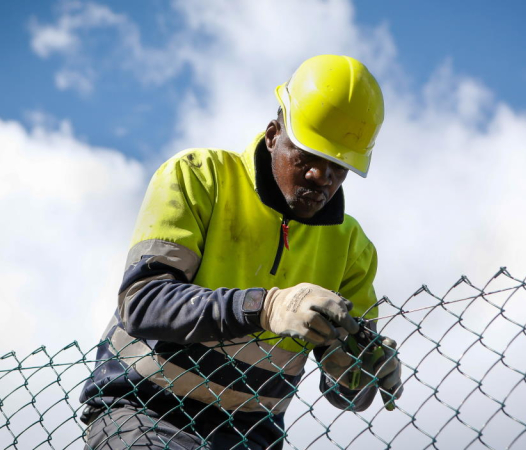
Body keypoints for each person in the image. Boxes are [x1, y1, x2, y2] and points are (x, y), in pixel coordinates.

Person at [80, 54, 403, 450]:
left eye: (338, 165)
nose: (321, 176)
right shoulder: (199, 177)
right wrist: (266, 307)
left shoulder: (351, 248)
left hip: (250, 435)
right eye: (309, 155)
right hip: (144, 410)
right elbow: (142, 303)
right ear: (273, 135)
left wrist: (360, 371)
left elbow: (346, 395)